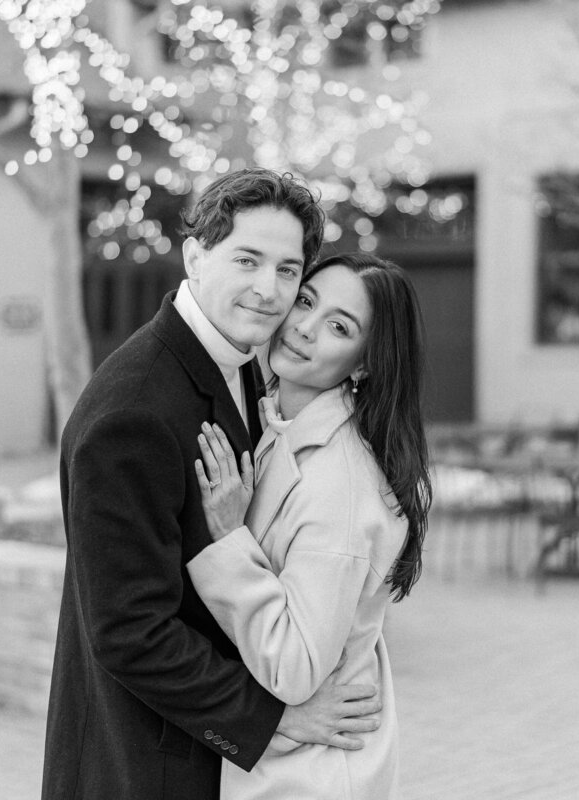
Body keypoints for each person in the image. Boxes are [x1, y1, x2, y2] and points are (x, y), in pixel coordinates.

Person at [42, 169, 383, 800]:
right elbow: (127, 630)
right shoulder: (134, 412)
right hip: (147, 765)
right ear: (196, 255)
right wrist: (272, 721)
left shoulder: (244, 367)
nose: (268, 290)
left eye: (288, 270)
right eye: (247, 260)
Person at [189, 252, 432, 799]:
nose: (303, 328)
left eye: (339, 326)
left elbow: (296, 667)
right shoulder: (274, 420)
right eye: (306, 301)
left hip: (310, 777)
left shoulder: (339, 488)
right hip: (279, 764)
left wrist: (230, 540)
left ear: (364, 363)